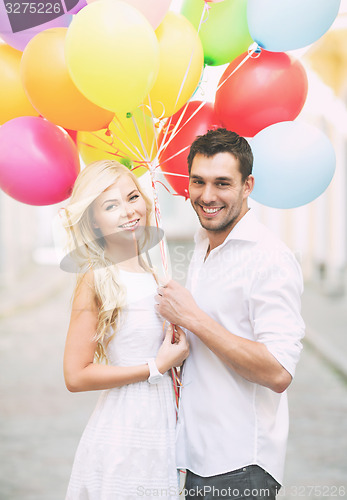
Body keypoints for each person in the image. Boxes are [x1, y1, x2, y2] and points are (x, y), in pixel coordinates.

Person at [155, 128, 305, 499]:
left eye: (222, 183)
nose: (207, 196)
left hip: (239, 469)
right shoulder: (204, 243)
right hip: (198, 459)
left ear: (247, 185)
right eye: (198, 182)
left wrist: (194, 319)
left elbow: (278, 371)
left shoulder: (269, 258)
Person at [62, 160, 189, 499]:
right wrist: (155, 366)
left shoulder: (154, 274)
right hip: (124, 432)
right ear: (94, 221)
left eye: (132, 197)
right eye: (110, 205)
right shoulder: (97, 278)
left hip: (160, 427)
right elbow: (75, 375)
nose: (128, 211)